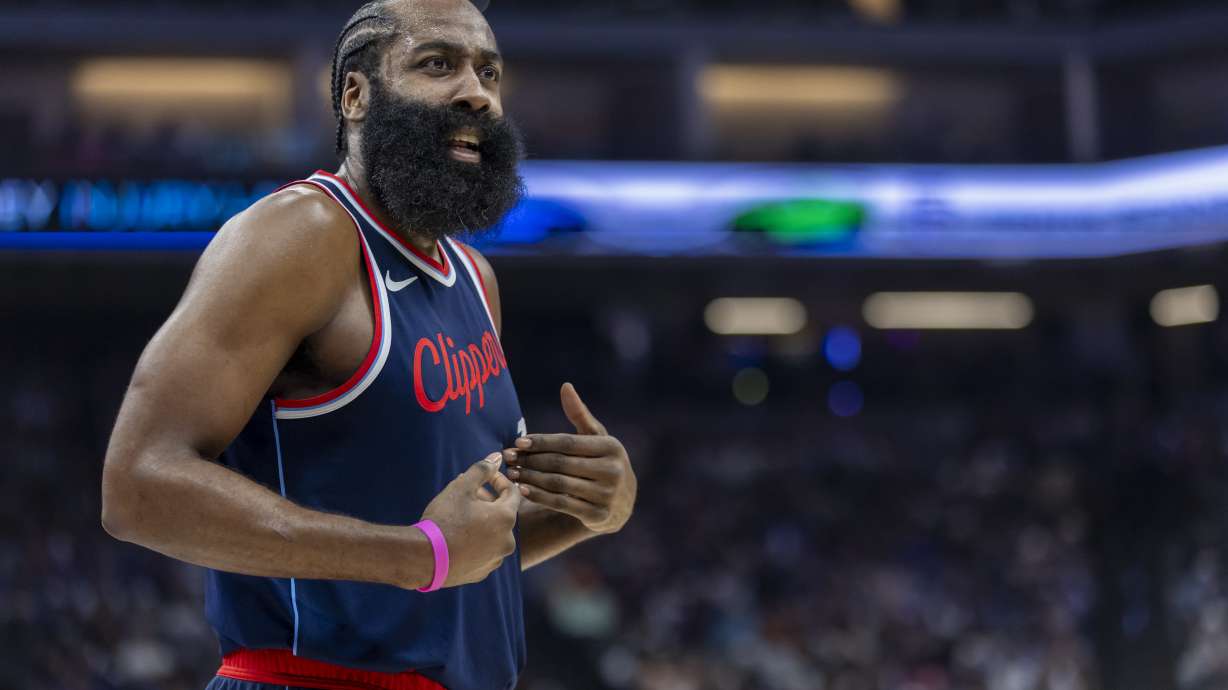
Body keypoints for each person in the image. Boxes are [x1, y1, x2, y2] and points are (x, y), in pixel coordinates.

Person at [99, 1, 638, 689]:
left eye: (490, 72)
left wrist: (586, 514)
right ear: (355, 95)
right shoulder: (303, 234)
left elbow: (457, 562)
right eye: (438, 64)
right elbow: (137, 486)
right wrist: (419, 556)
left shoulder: (474, 278)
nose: (476, 91)